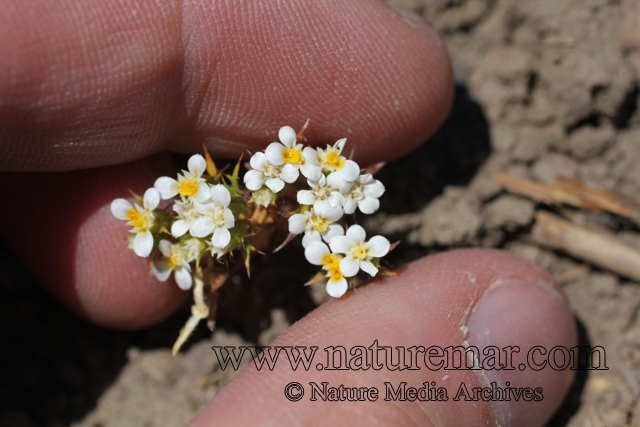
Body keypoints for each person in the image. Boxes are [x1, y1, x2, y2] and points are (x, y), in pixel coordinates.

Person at [0, 1, 576, 426]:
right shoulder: (214, 215)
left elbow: (277, 202)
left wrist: (307, 211)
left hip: (293, 201)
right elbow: (240, 209)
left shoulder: (284, 198)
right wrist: (215, 228)